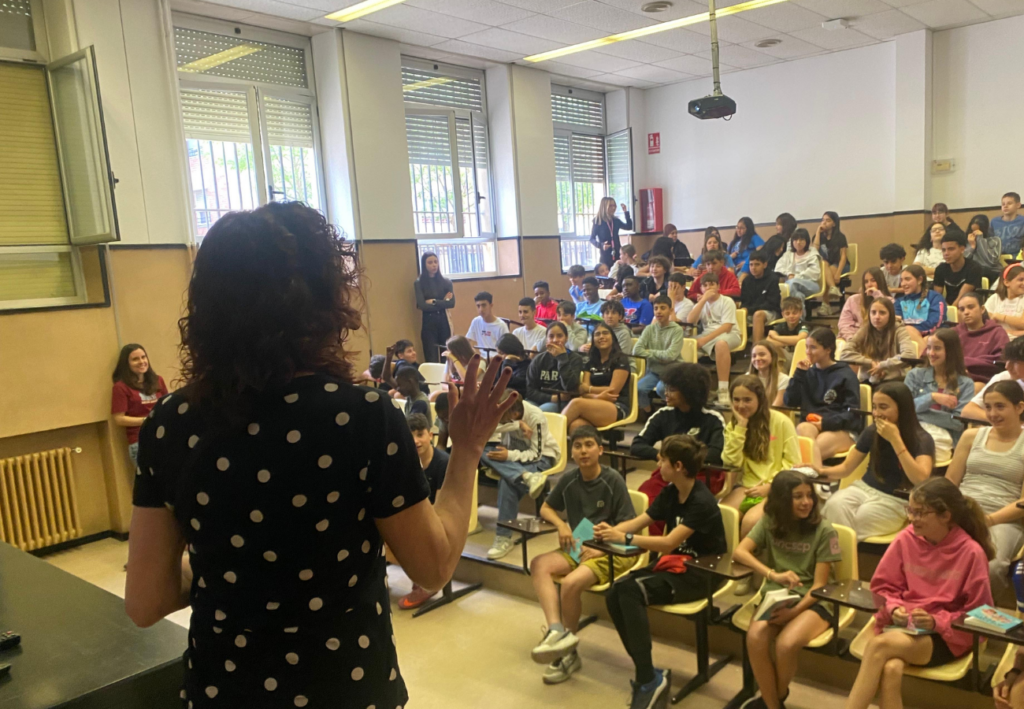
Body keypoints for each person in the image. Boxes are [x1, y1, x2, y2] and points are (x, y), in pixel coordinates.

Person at [124, 202, 516, 709]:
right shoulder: (361, 417)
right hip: (346, 688)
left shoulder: (171, 423)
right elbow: (433, 566)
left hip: (227, 690)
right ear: (322, 301)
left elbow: (146, 601)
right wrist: (466, 451)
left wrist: (234, 569)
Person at [598, 435, 726, 709]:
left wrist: (624, 539)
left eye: (662, 460)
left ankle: (647, 679)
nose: (658, 464)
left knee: (630, 591)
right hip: (674, 565)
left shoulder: (702, 501)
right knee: (614, 593)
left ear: (678, 466)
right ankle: (648, 673)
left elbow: (668, 542)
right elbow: (640, 521)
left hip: (701, 573)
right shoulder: (670, 492)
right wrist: (609, 532)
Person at [845, 478, 994, 709]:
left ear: (946, 516)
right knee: (891, 668)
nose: (912, 518)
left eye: (920, 513)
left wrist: (937, 622)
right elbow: (882, 588)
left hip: (946, 636)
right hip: (903, 626)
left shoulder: (971, 553)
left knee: (879, 647)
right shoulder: (906, 538)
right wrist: (894, 608)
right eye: (911, 510)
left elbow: (981, 616)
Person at [528, 426, 635, 683]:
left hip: (613, 549)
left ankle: (568, 652)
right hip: (580, 543)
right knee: (539, 564)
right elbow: (546, 508)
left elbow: (628, 525)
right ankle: (557, 632)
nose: (583, 451)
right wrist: (562, 525)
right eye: (577, 446)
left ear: (600, 450)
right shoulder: (569, 479)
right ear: (572, 452)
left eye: (589, 445)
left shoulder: (613, 480)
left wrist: (600, 545)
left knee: (570, 583)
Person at [732, 471, 843, 709]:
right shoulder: (770, 521)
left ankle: (772, 699)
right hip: (778, 595)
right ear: (783, 500)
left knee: (786, 644)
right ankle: (773, 705)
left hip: (815, 600)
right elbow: (740, 552)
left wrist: (793, 613)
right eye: (798, 496)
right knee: (755, 638)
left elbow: (819, 586)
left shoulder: (824, 530)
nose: (806, 502)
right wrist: (772, 574)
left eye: (809, 496)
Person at [820, 382, 935, 541]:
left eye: (883, 407)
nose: (876, 413)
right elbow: (845, 468)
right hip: (864, 488)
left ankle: (839, 553)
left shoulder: (922, 439)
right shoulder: (872, 431)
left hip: (896, 499)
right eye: (874, 407)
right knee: (833, 505)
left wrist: (895, 440)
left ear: (902, 408)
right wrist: (818, 471)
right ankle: (843, 553)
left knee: (861, 518)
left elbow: (920, 479)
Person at [945, 380, 1024, 597]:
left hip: (1003, 520)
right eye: (988, 407)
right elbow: (950, 483)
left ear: (1019, 407)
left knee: (991, 566)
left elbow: (1022, 503)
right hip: (963, 511)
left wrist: (986, 520)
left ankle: (982, 612)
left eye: (1000, 406)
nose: (992, 414)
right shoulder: (971, 436)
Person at [631, 364, 726, 526]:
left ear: (689, 392)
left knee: (671, 505)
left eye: (672, 390)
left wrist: (680, 463)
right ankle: (648, 541)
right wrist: (661, 457)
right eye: (666, 388)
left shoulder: (713, 418)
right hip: (668, 472)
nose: (666, 393)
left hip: (700, 475)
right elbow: (637, 445)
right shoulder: (663, 414)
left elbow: (716, 455)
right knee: (645, 497)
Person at [483, 395, 560, 561]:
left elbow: (536, 454)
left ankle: (503, 537)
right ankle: (526, 476)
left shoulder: (536, 417)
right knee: (482, 449)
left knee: (508, 481)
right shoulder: (506, 411)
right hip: (517, 459)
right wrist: (517, 425)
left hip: (542, 458)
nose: (499, 421)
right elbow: (487, 431)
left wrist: (509, 455)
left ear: (515, 414)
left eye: (503, 419)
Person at [721, 375, 800, 537]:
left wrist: (771, 486)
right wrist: (741, 428)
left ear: (760, 399)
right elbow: (731, 462)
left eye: (747, 400)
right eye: (736, 400)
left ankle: (744, 554)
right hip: (747, 487)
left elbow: (794, 464)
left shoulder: (781, 421)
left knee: (750, 522)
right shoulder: (733, 426)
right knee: (722, 516)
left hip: (778, 487)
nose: (741, 405)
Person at [785, 327, 862, 468]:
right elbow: (790, 401)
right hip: (812, 424)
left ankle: (811, 476)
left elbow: (853, 414)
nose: (808, 352)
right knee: (803, 428)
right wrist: (798, 375)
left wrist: (826, 423)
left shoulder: (846, 375)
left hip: (841, 429)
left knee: (809, 450)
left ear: (828, 350)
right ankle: (812, 475)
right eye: (807, 347)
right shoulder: (806, 373)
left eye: (813, 347)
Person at [397, 413, 451, 609]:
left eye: (420, 434)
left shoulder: (443, 463)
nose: (415, 441)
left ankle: (426, 583)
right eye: (410, 436)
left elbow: (442, 505)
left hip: (438, 516)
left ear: (430, 435)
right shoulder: (406, 462)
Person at [904, 329, 974, 455]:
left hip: (946, 436)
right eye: (929, 348)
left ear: (951, 351)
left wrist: (916, 414)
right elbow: (903, 408)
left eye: (937, 348)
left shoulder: (966, 384)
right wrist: (931, 397)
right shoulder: (914, 375)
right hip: (914, 429)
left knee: (925, 444)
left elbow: (958, 422)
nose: (931, 353)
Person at [562, 323, 632, 433]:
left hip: (617, 406)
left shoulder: (621, 360)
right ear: (593, 340)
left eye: (605, 333)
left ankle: (552, 437)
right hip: (593, 402)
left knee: (576, 403)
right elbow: (583, 391)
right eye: (597, 334)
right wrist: (597, 396)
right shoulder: (590, 361)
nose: (601, 336)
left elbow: (612, 391)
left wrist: (590, 389)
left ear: (613, 338)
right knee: (576, 425)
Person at [688, 271, 741, 406]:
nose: (708, 288)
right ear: (701, 289)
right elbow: (690, 321)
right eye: (705, 285)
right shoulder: (702, 303)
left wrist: (704, 340)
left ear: (718, 286)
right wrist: (703, 301)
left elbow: (727, 327)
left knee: (721, 344)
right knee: (686, 345)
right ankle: (691, 389)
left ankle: (723, 390)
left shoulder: (727, 301)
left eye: (711, 284)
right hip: (707, 334)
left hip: (730, 334)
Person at [111, 343, 168, 465]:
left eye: (143, 357)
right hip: (141, 441)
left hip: (164, 437)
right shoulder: (120, 387)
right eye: (135, 359)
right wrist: (148, 420)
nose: (141, 362)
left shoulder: (158, 380)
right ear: (126, 364)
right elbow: (119, 419)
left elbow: (167, 406)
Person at [839, 298, 915, 384]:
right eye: (873, 312)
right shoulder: (865, 329)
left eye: (882, 313)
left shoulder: (899, 329)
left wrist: (883, 365)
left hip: (894, 380)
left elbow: (910, 355)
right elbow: (844, 353)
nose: (877, 317)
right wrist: (870, 363)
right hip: (868, 379)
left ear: (890, 315)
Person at [633, 295, 685, 412]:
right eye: (656, 308)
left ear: (670, 310)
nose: (658, 311)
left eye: (663, 308)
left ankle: (674, 412)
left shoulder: (677, 330)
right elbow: (636, 350)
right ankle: (649, 413)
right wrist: (661, 356)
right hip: (654, 371)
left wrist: (649, 352)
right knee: (638, 388)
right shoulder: (649, 329)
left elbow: (671, 356)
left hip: (671, 371)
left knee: (662, 389)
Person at [962, 337, 1024, 421]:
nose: (1007, 366)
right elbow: (968, 411)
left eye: (1015, 362)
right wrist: (1005, 421)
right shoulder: (1004, 378)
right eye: (1007, 361)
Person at [527, 321, 584, 413]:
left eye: (559, 336)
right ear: (546, 339)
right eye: (551, 336)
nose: (555, 340)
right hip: (540, 399)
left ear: (566, 338)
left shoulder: (575, 359)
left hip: (561, 402)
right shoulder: (538, 359)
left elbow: (570, 387)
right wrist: (551, 398)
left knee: (541, 412)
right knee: (522, 410)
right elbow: (530, 390)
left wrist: (562, 358)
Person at [956, 291, 1010, 379]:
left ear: (982, 309)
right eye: (962, 309)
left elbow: (1000, 361)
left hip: (985, 378)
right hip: (955, 376)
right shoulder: (954, 332)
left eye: (970, 307)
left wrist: (964, 363)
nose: (966, 312)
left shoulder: (997, 332)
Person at [414, 252, 455, 363]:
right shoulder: (419, 283)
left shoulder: (446, 282)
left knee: (446, 356)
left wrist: (434, 301)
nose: (434, 265)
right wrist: (443, 301)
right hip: (428, 322)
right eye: (430, 262)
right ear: (424, 264)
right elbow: (422, 306)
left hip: (444, 321)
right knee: (431, 357)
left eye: (436, 262)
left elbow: (451, 303)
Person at [894, 264, 946, 351]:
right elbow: (896, 324)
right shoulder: (899, 302)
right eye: (901, 280)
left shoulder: (934, 297)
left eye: (907, 279)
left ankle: (924, 357)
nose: (903, 284)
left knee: (926, 338)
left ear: (920, 280)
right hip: (906, 338)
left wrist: (913, 330)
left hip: (933, 335)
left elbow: (936, 323)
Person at [838, 267, 894, 341]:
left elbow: (888, 325)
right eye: (866, 282)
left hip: (877, 339)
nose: (869, 285)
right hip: (852, 338)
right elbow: (844, 323)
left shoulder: (889, 301)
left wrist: (877, 295)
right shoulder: (853, 299)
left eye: (873, 280)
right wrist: (853, 339)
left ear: (880, 282)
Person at [933, 229, 982, 309]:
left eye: (951, 249)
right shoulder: (940, 269)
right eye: (944, 250)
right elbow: (937, 297)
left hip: (968, 309)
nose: (946, 253)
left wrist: (950, 311)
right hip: (948, 308)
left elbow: (960, 300)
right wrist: (945, 309)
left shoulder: (974, 268)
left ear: (962, 249)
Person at [811, 211, 848, 316]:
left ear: (834, 223)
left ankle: (825, 305)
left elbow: (843, 257)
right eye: (823, 220)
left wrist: (838, 273)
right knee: (824, 264)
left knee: (827, 274)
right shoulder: (819, 236)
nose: (824, 223)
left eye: (828, 220)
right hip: (825, 265)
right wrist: (818, 232)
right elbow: (814, 251)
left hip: (840, 264)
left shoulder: (840, 237)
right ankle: (833, 288)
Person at [743, 250, 782, 344]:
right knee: (735, 314)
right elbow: (744, 301)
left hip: (771, 311)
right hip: (751, 311)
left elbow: (771, 303)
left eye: (757, 264)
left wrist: (750, 310)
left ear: (765, 265)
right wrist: (744, 310)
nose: (753, 268)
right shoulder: (746, 281)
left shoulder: (773, 279)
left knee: (758, 315)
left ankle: (757, 348)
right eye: (751, 265)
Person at [774, 228, 821, 303]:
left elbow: (814, 273)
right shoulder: (788, 254)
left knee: (792, 283)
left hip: (810, 285)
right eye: (795, 240)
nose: (798, 242)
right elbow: (778, 268)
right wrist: (789, 274)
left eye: (801, 240)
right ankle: (800, 310)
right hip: (791, 285)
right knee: (797, 294)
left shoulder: (812, 253)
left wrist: (796, 276)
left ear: (806, 241)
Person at [590, 197, 633, 268]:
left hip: (618, 253)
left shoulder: (615, 220)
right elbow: (592, 239)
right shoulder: (598, 221)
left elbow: (629, 226)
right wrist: (601, 245)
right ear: (604, 207)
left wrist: (626, 212)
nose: (613, 208)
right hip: (605, 255)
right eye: (610, 206)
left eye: (614, 206)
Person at [986, 264, 1024, 339]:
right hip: (996, 339)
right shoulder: (995, 298)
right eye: (1021, 280)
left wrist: (999, 316)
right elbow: (984, 322)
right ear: (1006, 282)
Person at [767, 296, 809, 363]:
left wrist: (776, 337)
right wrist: (790, 342)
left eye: (794, 313)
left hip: (801, 357)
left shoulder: (804, 325)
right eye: (787, 313)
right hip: (786, 356)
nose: (791, 316)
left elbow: (800, 339)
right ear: (783, 314)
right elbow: (769, 341)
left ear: (801, 313)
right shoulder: (781, 326)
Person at [749, 340, 790, 406]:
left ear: (773, 356)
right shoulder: (746, 377)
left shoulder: (784, 380)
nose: (757, 358)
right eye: (754, 356)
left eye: (762, 354)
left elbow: (776, 407)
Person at [965, 214, 1003, 283]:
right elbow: (963, 260)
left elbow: (991, 261)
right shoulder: (968, 241)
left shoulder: (995, 240)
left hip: (993, 271)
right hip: (974, 271)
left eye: (977, 231)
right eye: (972, 231)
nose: (974, 234)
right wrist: (972, 247)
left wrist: (980, 240)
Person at [598, 299, 636, 367]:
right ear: (603, 316)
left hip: (623, 366)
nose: (610, 316)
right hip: (603, 363)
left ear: (620, 317)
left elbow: (622, 356)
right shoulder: (599, 330)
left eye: (613, 313)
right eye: (607, 313)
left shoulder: (624, 333)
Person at [496, 334, 530, 399]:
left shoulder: (527, 366)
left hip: (517, 399)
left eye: (502, 353)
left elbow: (506, 382)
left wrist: (507, 361)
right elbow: (495, 383)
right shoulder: (502, 363)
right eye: (498, 353)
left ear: (511, 351)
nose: (499, 356)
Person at [992, 192, 1024, 256]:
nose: (1005, 206)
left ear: (1018, 205)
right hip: (998, 258)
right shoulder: (994, 222)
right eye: (1003, 204)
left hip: (1018, 258)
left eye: (1009, 203)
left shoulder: (1022, 221)